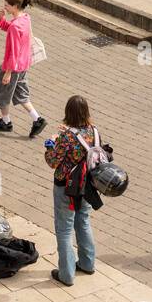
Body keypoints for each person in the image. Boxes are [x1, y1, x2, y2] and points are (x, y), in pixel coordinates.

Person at [44, 95, 102, 286]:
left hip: (65, 187)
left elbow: (53, 161)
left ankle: (66, 274)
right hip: (86, 186)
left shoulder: (66, 136)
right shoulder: (94, 131)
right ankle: (87, 263)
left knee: (64, 229)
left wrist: (50, 143)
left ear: (68, 112)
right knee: (83, 221)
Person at [0, 0, 46, 137]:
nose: (5, 7)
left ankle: (6, 122)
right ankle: (37, 119)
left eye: (7, 5)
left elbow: (14, 50)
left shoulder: (15, 26)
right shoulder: (25, 19)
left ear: (15, 6)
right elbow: (11, 29)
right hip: (23, 64)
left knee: (2, 94)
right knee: (20, 93)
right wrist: (1, 19)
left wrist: (7, 72)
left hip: (12, 66)